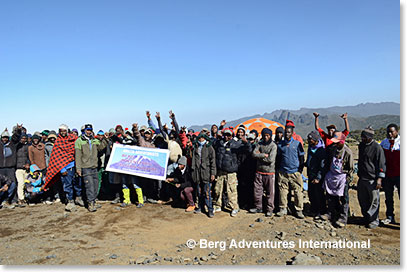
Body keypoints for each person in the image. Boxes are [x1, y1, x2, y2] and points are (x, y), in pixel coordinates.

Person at [44, 124, 82, 211]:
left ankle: (78, 198)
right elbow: (56, 158)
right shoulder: (58, 142)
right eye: (61, 131)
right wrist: (62, 169)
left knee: (77, 183)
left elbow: (78, 152)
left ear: (67, 131)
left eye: (64, 131)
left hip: (75, 166)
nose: (63, 133)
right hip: (65, 168)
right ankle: (70, 201)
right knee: (67, 185)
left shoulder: (73, 139)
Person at [213, 127, 250, 217]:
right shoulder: (219, 143)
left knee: (231, 191)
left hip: (231, 172)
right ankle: (217, 205)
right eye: (225, 134)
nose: (227, 137)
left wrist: (247, 143)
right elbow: (211, 140)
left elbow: (248, 150)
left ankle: (234, 207)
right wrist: (220, 128)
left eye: (229, 135)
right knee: (218, 189)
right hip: (220, 171)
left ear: (232, 135)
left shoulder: (235, 144)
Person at [75, 124, 109, 212]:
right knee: (89, 186)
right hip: (85, 167)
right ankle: (90, 204)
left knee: (95, 185)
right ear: (84, 130)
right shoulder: (79, 141)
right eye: (87, 130)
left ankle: (93, 201)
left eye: (90, 130)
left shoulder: (94, 140)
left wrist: (105, 139)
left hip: (94, 166)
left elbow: (101, 147)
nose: (89, 131)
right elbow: (77, 156)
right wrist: (78, 168)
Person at [357, 127, 386, 229]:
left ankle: (374, 220)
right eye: (362, 137)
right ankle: (366, 217)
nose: (362, 139)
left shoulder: (377, 148)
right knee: (362, 199)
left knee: (374, 201)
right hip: (362, 178)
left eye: (364, 137)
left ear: (370, 137)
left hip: (372, 179)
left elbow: (381, 164)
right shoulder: (361, 146)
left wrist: (379, 179)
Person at [323, 132, 354, 228]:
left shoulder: (347, 152)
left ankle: (343, 218)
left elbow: (351, 168)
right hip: (332, 176)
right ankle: (330, 213)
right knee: (330, 196)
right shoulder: (333, 150)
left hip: (342, 177)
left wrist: (347, 180)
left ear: (342, 142)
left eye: (337, 142)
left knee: (344, 198)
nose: (335, 144)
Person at [276, 126, 305, 219]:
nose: (287, 134)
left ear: (292, 133)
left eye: (289, 132)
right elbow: (278, 158)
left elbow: (301, 158)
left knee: (298, 192)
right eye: (286, 132)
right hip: (283, 172)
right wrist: (278, 169)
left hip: (295, 172)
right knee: (283, 191)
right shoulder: (280, 144)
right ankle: (283, 208)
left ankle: (299, 210)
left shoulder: (297, 144)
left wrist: (299, 170)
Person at [250, 128, 277, 217]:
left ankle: (269, 209)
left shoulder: (273, 146)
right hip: (259, 171)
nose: (266, 137)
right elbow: (254, 154)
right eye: (264, 135)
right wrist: (263, 155)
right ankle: (258, 207)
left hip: (269, 172)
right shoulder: (259, 144)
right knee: (257, 191)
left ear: (270, 136)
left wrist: (259, 156)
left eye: (268, 135)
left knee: (270, 192)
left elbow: (270, 159)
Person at [191, 132, 216, 218]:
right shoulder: (195, 148)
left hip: (206, 173)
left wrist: (213, 173)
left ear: (206, 139)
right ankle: (200, 207)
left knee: (207, 192)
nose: (201, 140)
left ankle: (210, 209)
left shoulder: (210, 148)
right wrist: (193, 172)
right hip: (198, 173)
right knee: (199, 192)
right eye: (200, 138)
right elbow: (193, 162)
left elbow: (213, 162)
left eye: (203, 138)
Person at [380, 123, 400, 225]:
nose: (389, 133)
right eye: (388, 132)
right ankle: (390, 216)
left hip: (400, 175)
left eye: (392, 131)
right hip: (388, 175)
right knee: (388, 197)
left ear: (397, 131)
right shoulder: (384, 143)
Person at [305, 131, 327, 220]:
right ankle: (313, 209)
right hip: (310, 174)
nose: (308, 141)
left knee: (319, 194)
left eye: (310, 139)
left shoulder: (321, 150)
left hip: (317, 177)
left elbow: (322, 166)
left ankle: (321, 211)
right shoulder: (310, 148)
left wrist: (318, 177)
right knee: (311, 193)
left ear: (315, 140)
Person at [0, 125, 22, 207]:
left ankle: (12, 200)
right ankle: (2, 200)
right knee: (2, 185)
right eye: (3, 137)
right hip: (1, 168)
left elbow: (16, 137)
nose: (5, 139)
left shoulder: (12, 144)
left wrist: (18, 130)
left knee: (12, 183)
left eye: (6, 137)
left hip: (10, 167)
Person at [15, 133, 30, 207]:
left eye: (25, 138)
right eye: (22, 138)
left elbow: (29, 157)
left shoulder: (27, 146)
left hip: (26, 168)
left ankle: (26, 198)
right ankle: (21, 199)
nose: (23, 139)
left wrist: (28, 164)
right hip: (18, 168)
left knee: (26, 184)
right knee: (20, 183)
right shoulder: (16, 146)